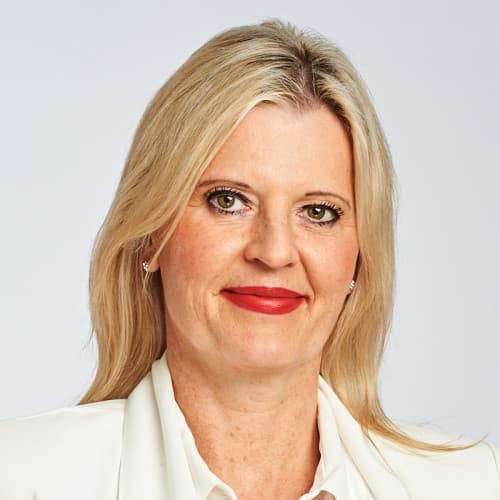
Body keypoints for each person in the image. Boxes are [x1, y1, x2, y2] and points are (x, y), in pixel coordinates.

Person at [1, 19, 498, 500]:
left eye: (318, 212)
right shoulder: (22, 479)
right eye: (228, 201)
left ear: (360, 257)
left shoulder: (470, 486)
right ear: (152, 235)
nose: (274, 252)